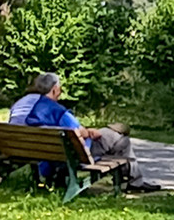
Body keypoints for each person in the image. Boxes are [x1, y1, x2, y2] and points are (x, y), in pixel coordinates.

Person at [9, 73, 158, 192]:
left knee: (117, 141)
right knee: (120, 140)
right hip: (75, 155)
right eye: (59, 88)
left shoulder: (35, 111)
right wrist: (92, 132)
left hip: (47, 159)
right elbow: (79, 132)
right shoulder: (58, 111)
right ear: (55, 89)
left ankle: (130, 177)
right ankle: (134, 181)